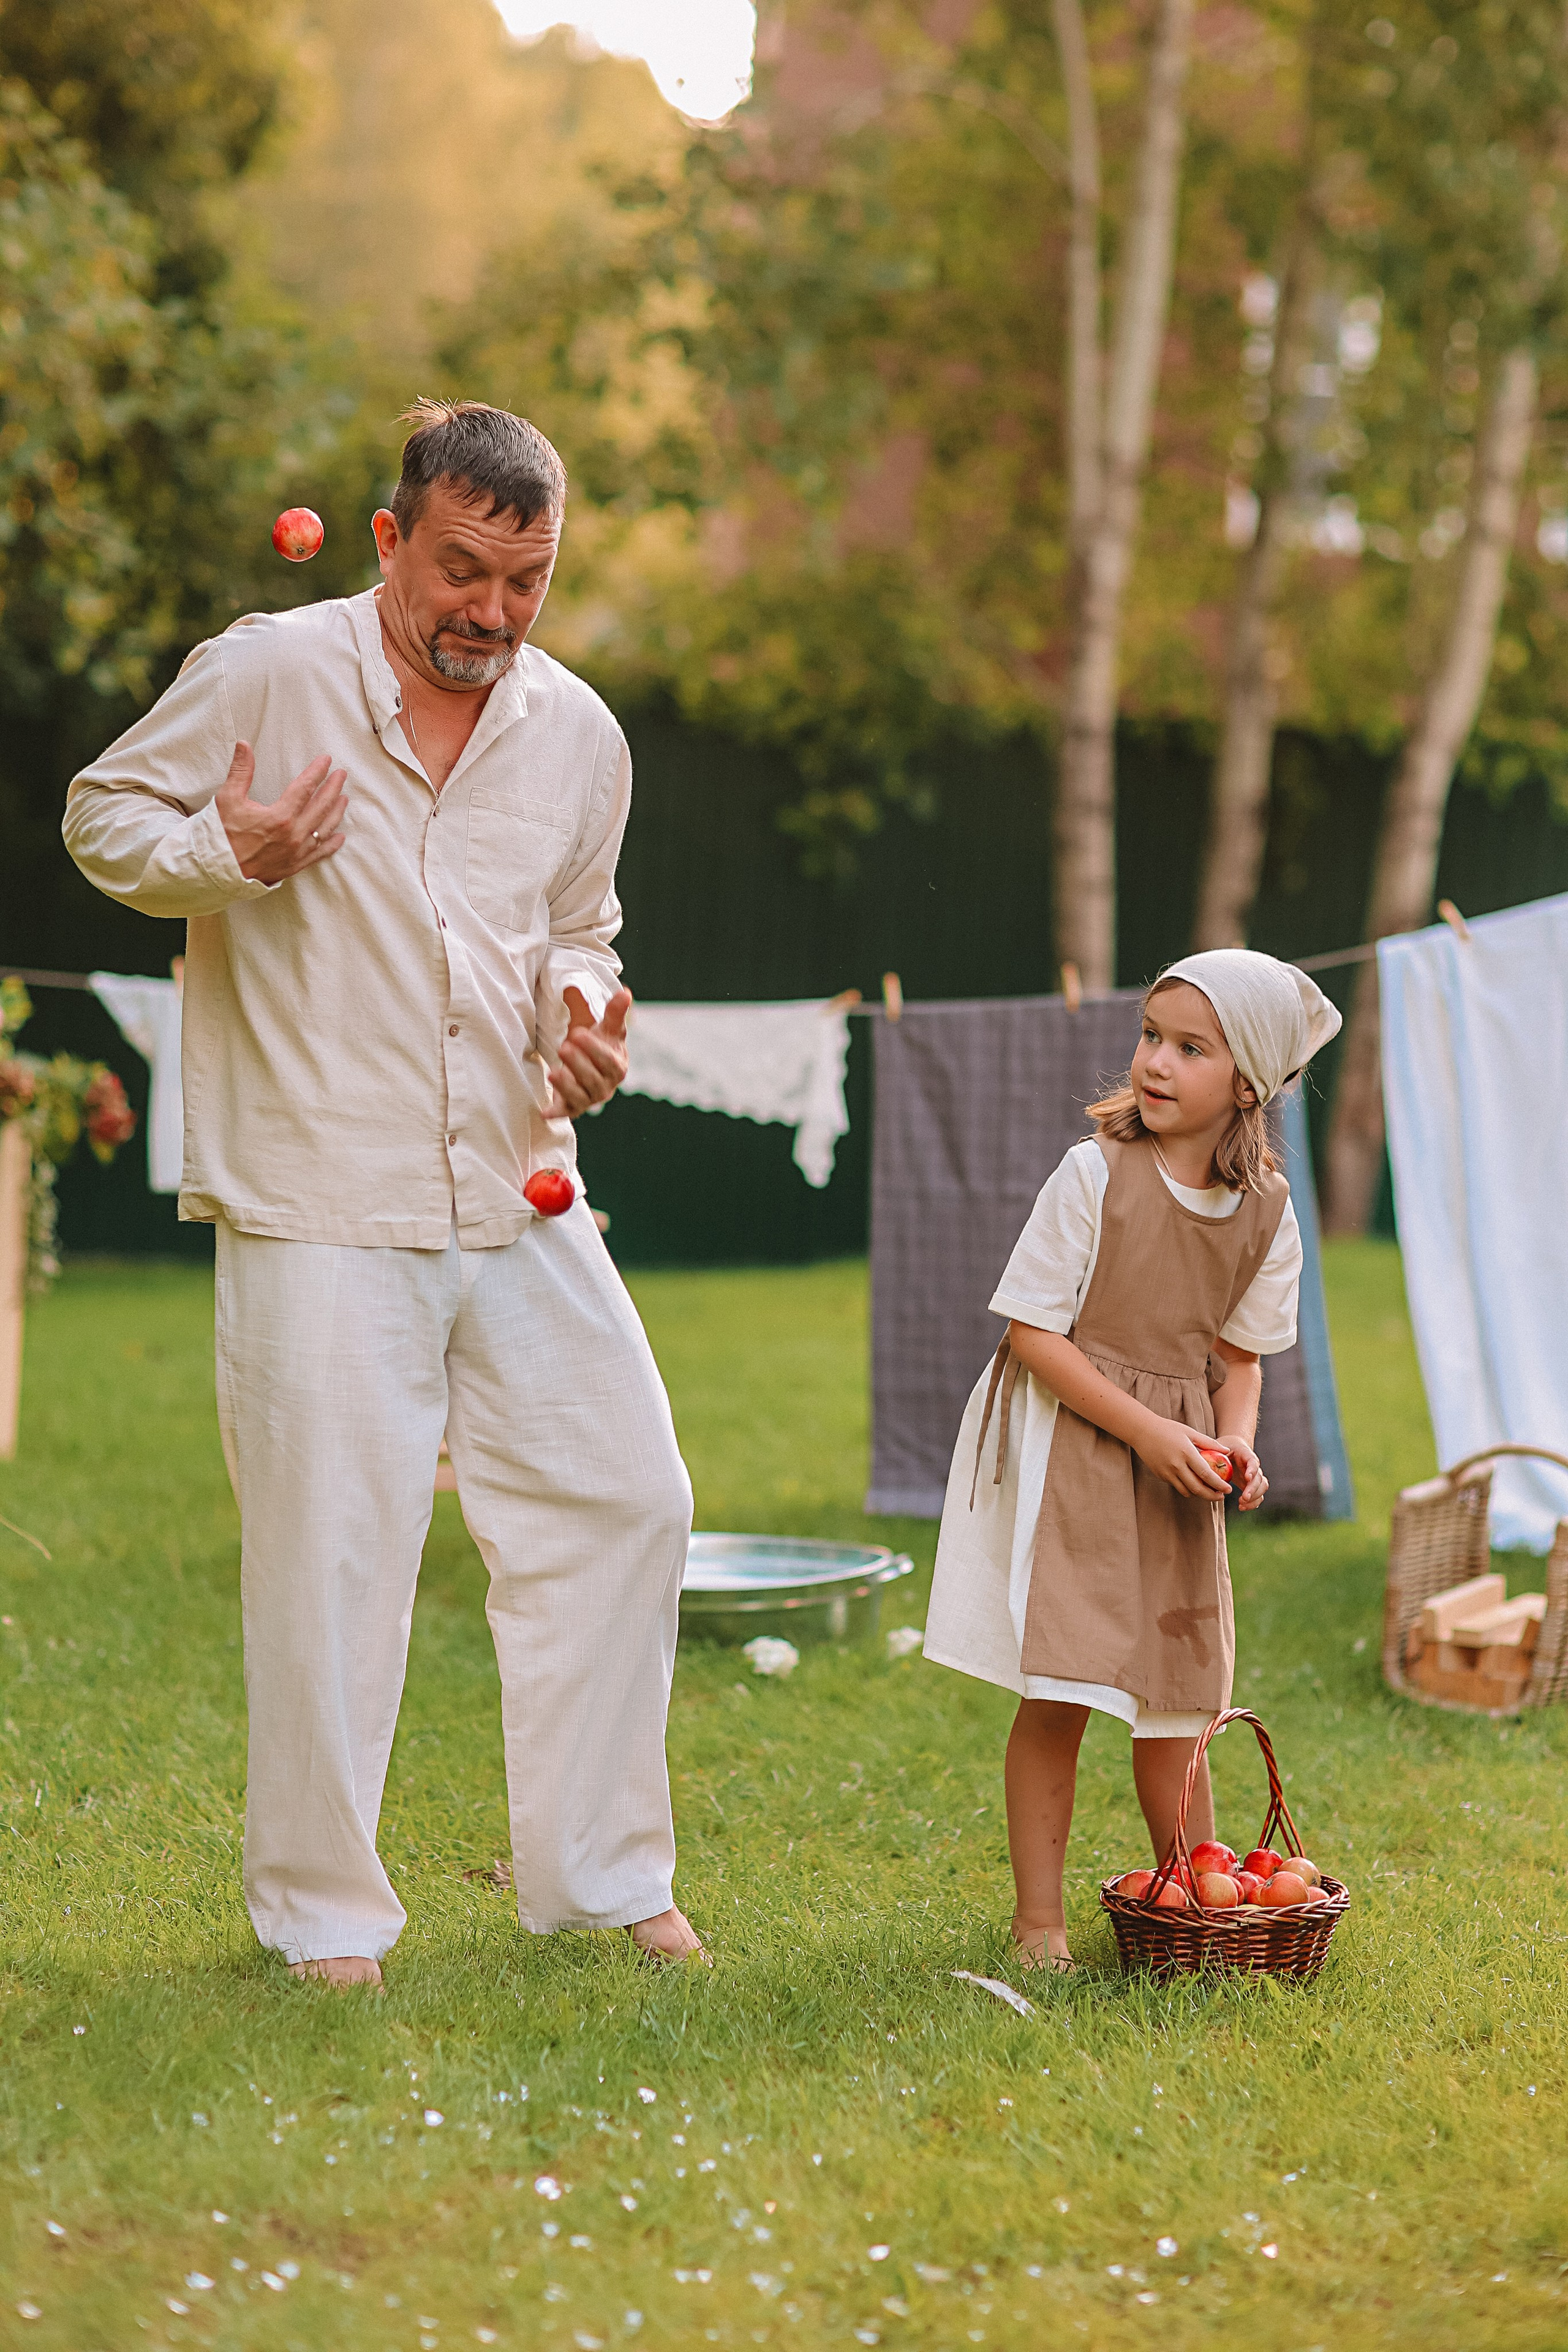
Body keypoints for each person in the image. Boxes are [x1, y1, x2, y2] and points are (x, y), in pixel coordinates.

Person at [62, 399, 704, 1985]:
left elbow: (583, 926)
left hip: (518, 1179)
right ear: (390, 538)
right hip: (318, 1189)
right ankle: (324, 1921)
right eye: (464, 570)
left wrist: (587, 1010)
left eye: (526, 581)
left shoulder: (579, 732)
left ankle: (605, 1882)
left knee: (631, 1498)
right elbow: (101, 815)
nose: (490, 612)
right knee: (333, 1553)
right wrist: (238, 844)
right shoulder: (271, 672)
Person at [922, 949, 1341, 1970]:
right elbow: (1034, 1336)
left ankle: (1192, 1910)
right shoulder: (1094, 1175)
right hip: (1077, 1441)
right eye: (1152, 1036)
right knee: (1062, 1688)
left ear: (1247, 1083)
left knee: (1181, 1696)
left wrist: (1231, 1440)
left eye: (1189, 1048)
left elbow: (1239, 1359)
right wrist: (1152, 1434)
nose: (1155, 1061)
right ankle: (1040, 1927)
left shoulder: (1266, 1213)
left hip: (1178, 1465)